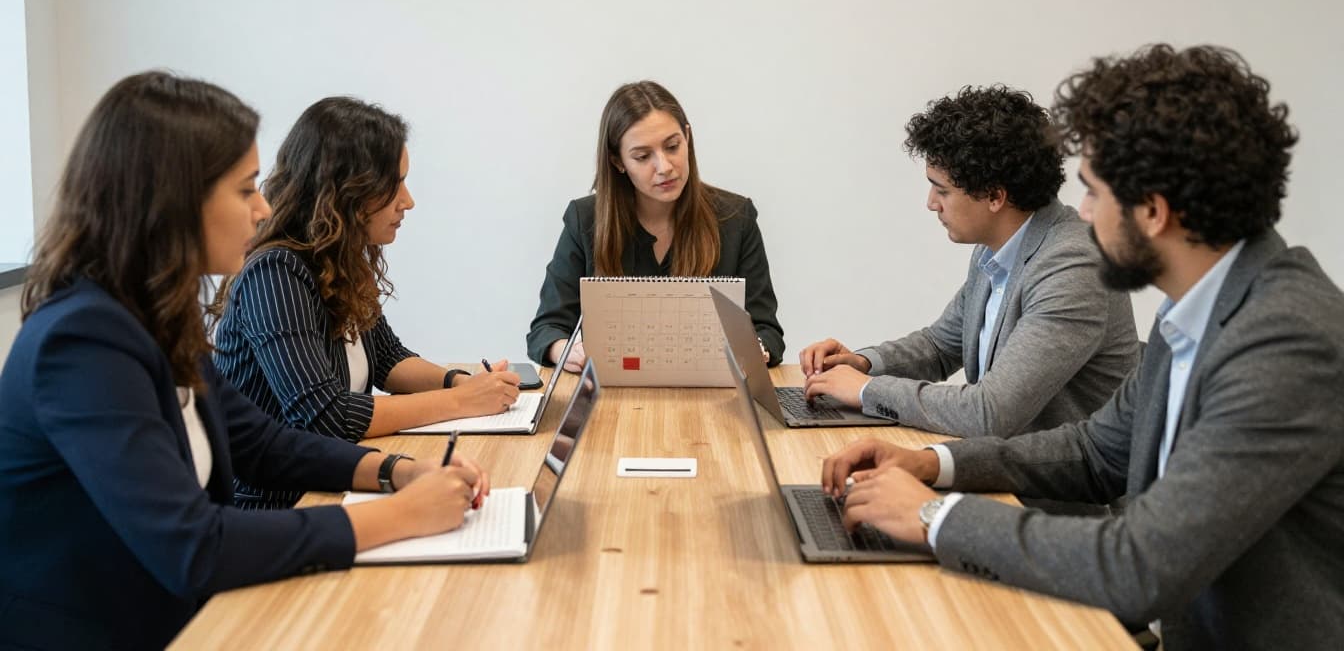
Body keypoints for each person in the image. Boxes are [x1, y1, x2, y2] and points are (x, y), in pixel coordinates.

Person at [822, 45, 1344, 650]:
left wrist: (933, 516)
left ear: (1153, 211)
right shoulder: (1199, 308)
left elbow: (1139, 566)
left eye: (1093, 193)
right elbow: (1096, 453)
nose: (1084, 215)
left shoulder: (1287, 342)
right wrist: (935, 464)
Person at [0, 72, 489, 650]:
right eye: (245, 189)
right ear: (170, 200)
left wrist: (396, 472)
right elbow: (193, 546)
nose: (262, 209)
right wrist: (402, 515)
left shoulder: (153, 316)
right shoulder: (82, 341)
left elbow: (263, 444)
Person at [211, 96, 520, 509]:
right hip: (277, 504)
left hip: (331, 484)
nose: (407, 201)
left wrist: (462, 382)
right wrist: (462, 401)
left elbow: (389, 359)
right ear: (346, 189)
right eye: (395, 184)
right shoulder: (276, 273)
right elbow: (326, 417)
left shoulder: (343, 257)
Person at [800, 85, 1138, 437]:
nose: (931, 203)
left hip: (1048, 487)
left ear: (994, 196)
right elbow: (940, 346)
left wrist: (866, 390)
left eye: (942, 190)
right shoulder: (997, 247)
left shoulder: (1073, 265)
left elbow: (990, 412)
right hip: (1000, 466)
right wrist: (862, 363)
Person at [527, 80, 784, 370]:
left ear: (688, 137)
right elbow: (546, 330)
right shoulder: (585, 219)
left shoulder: (737, 217)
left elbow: (768, 331)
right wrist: (567, 350)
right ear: (618, 161)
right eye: (643, 156)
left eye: (673, 146)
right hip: (614, 395)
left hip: (712, 397)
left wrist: (756, 349)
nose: (664, 167)